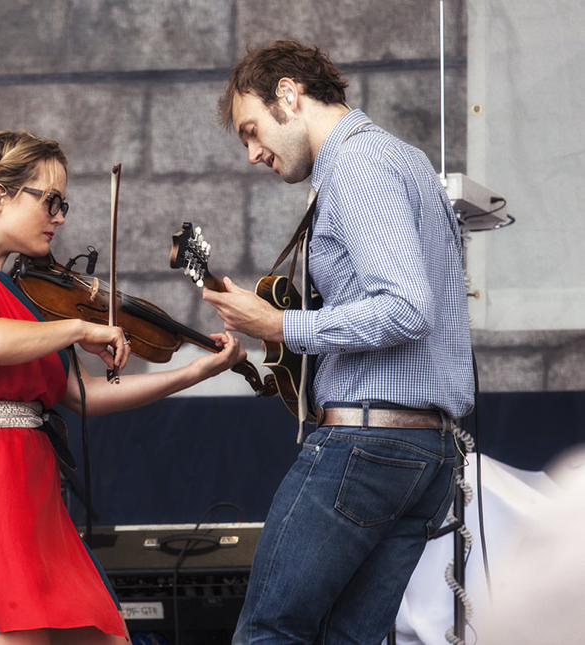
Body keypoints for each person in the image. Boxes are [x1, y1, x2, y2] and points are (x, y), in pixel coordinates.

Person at [0, 129, 246, 645]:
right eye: (51, 201)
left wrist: (193, 373)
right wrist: (81, 328)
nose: (61, 216)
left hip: (31, 489)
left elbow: (81, 395)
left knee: (107, 637)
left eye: (65, 204)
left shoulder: (28, 294)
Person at [202, 40, 475, 644]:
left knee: (269, 632)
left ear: (289, 95)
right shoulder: (401, 158)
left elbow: (406, 308)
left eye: (252, 130)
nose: (251, 153)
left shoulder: (355, 163)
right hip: (423, 453)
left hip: (368, 444)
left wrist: (279, 327)